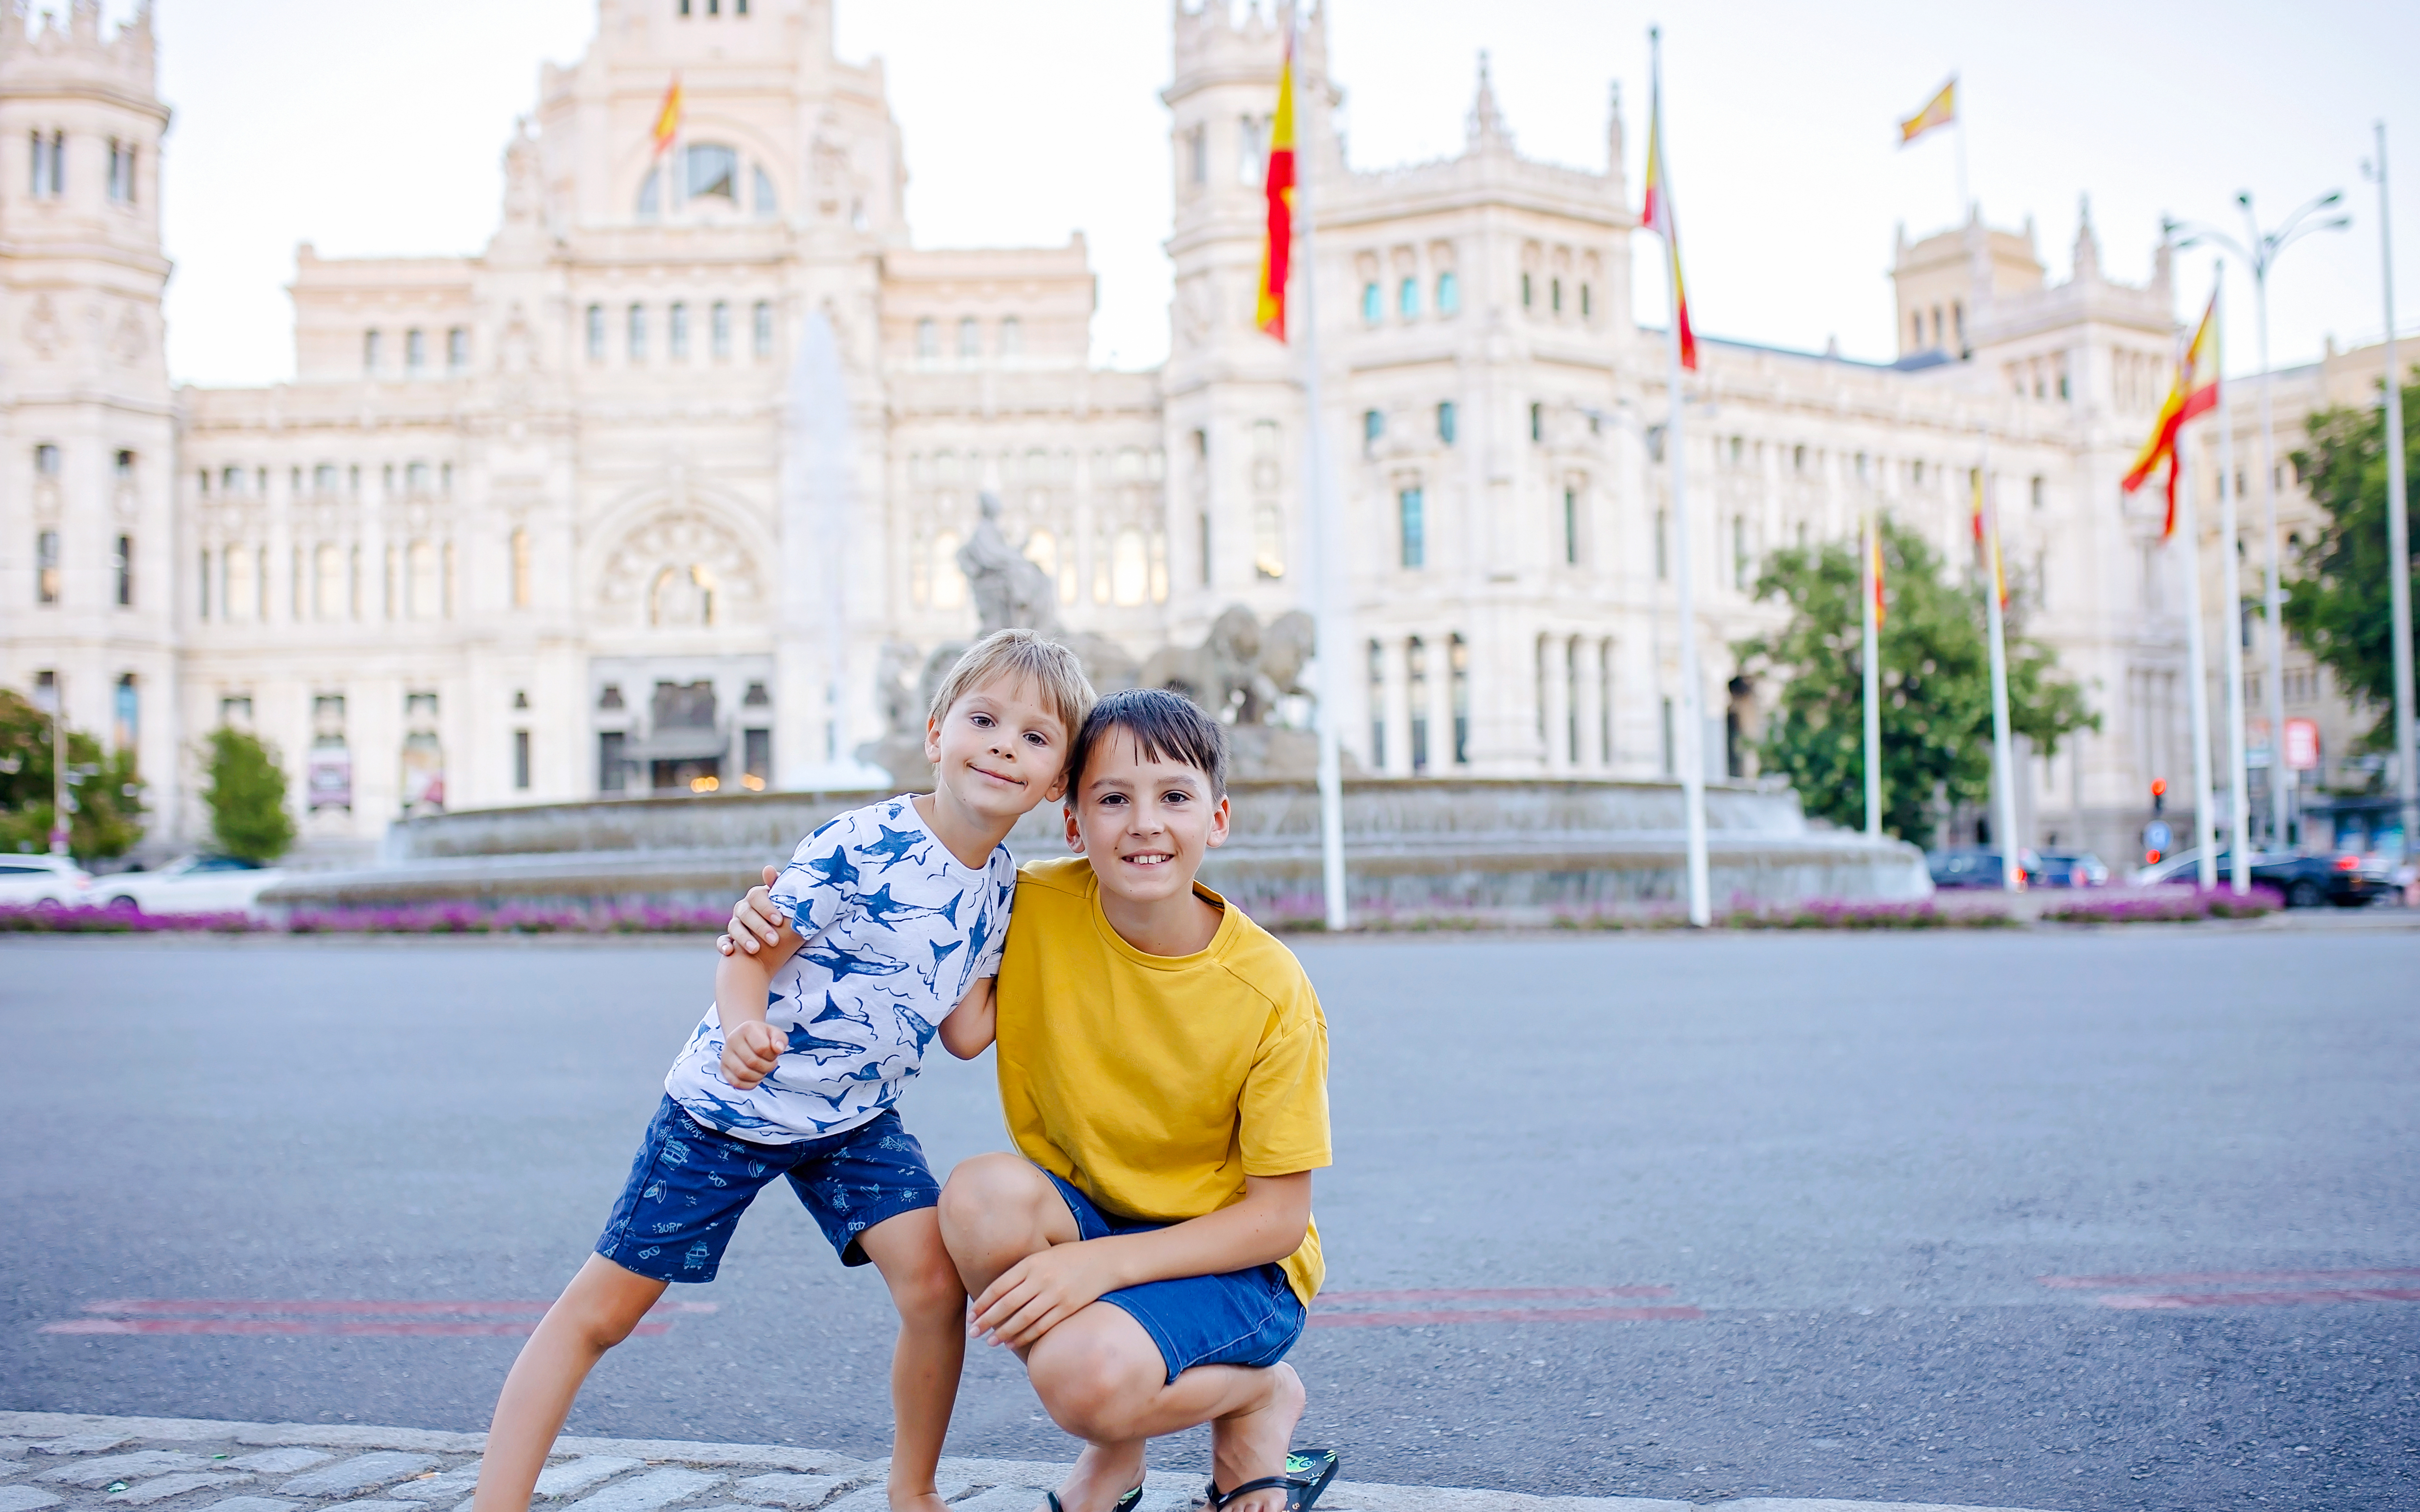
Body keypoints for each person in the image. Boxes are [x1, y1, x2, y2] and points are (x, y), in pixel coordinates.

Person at [474, 629, 1094, 1512]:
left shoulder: (1002, 884)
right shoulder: (860, 842)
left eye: (1036, 738)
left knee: (931, 1285)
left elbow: (965, 1030)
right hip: (728, 1106)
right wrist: (742, 1029)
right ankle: (494, 1501)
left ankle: (911, 1489)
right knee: (602, 1312)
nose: (1004, 744)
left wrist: (1072, 967)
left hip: (852, 1121)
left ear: (1057, 780)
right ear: (934, 732)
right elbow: (747, 955)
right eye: (985, 718)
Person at [727, 688, 1337, 1512]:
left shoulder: (1268, 990)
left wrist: (1099, 1265)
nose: (1144, 823)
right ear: (1073, 824)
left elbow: (1276, 1221)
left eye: (1174, 797)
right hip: (1090, 1215)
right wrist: (781, 914)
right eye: (1113, 799)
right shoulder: (1029, 902)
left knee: (1080, 1378)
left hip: (1238, 1267)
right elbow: (915, 931)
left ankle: (1258, 1397)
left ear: (1217, 817)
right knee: (978, 1197)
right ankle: (1119, 1453)